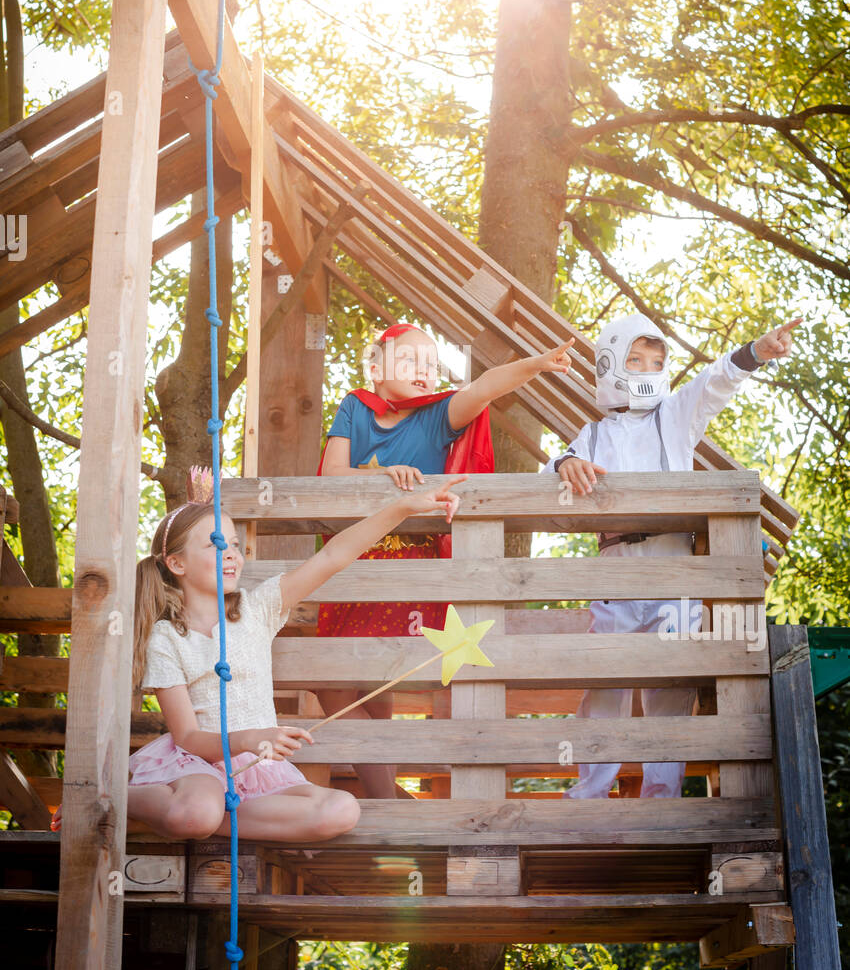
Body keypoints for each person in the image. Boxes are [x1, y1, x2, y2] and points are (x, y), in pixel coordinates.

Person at [52, 474, 466, 839]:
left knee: (342, 810)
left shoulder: (257, 609)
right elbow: (189, 738)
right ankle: (107, 798)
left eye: (234, 543)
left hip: (259, 773)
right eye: (216, 544)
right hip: (199, 767)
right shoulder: (166, 638)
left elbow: (332, 557)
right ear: (175, 562)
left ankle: (212, 821)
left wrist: (401, 508)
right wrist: (250, 738)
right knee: (198, 809)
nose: (231, 552)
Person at [541, 310, 800, 799]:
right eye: (633, 360)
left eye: (654, 361)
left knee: (671, 689)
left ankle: (662, 799)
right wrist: (565, 462)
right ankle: (589, 795)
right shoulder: (593, 434)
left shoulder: (676, 417)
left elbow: (713, 382)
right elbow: (549, 474)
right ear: (610, 365)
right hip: (615, 577)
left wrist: (756, 352)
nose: (644, 369)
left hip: (673, 573)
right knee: (605, 685)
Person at [317, 320, 574, 798]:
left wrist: (535, 365)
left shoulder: (437, 416)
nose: (424, 370)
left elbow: (484, 387)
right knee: (331, 684)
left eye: (432, 364)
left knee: (377, 682)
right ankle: (390, 799)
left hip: (406, 568)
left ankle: (385, 801)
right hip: (351, 561)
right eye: (409, 359)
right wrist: (381, 475)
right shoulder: (355, 406)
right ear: (375, 367)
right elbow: (332, 473)